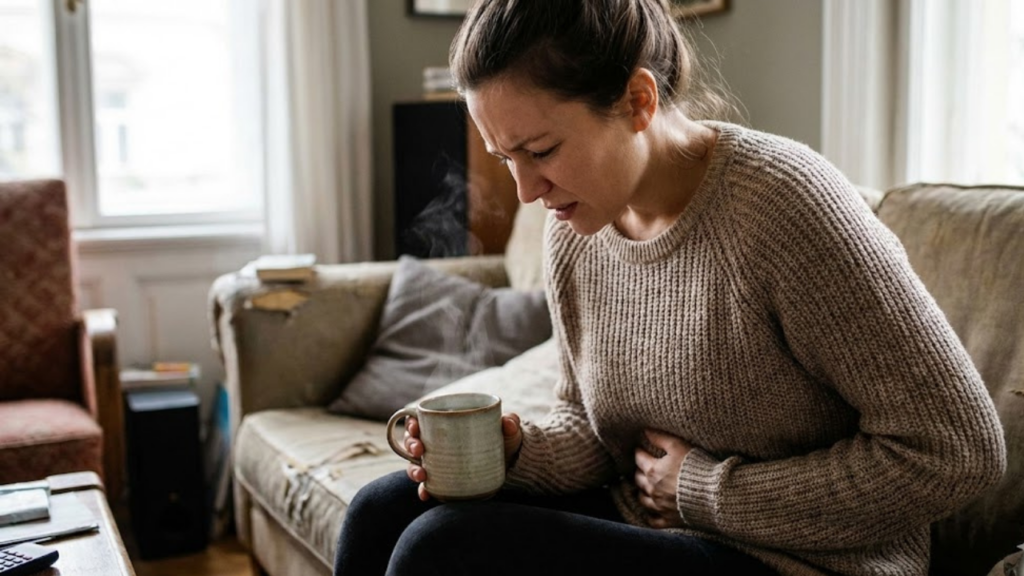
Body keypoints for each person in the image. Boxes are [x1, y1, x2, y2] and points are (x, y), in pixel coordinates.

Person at [334, 0, 1007, 574]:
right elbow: (595, 432)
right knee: (379, 511)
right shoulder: (577, 227)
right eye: (506, 158)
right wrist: (512, 453)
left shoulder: (785, 207)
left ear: (637, 101)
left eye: (540, 152)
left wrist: (706, 491)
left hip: (799, 562)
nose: (526, 192)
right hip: (657, 531)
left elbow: (957, 450)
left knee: (443, 549)